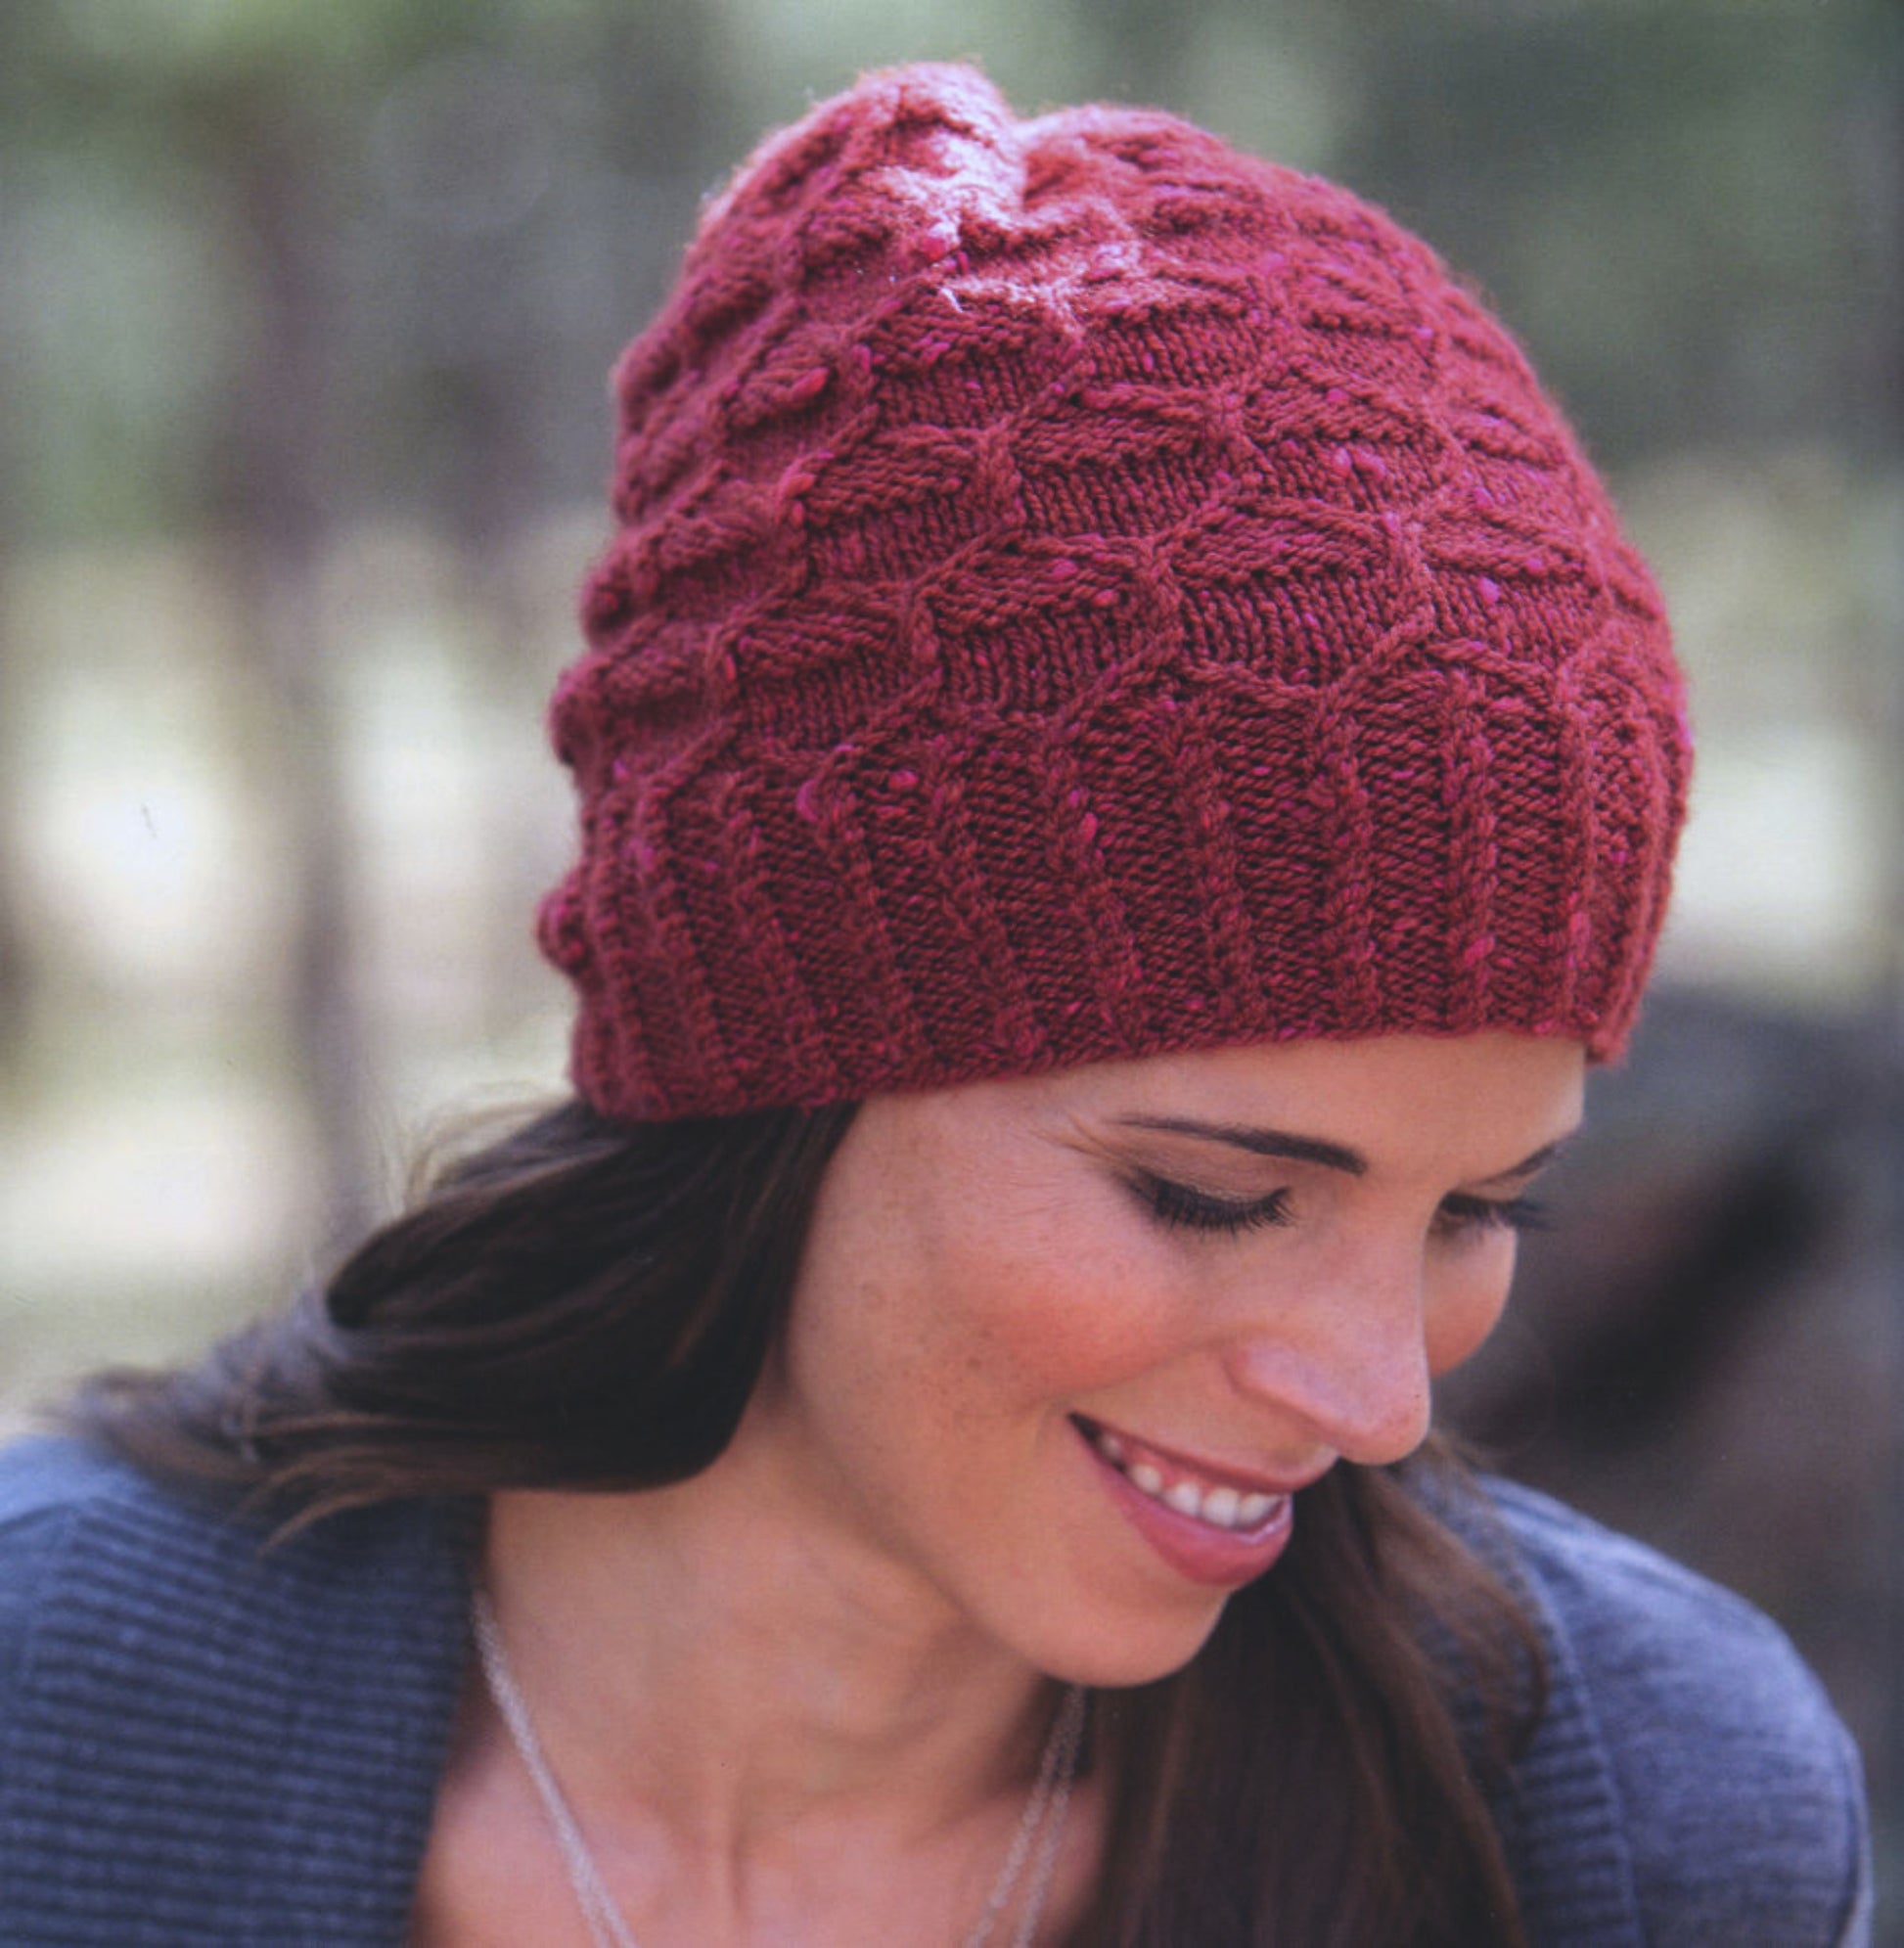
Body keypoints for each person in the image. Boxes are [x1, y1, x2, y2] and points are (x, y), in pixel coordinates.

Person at [0, 63, 1871, 1948]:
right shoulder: (55, 1728)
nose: (1378, 1401)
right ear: (767, 1059)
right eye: (1213, 1195)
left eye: (1478, 1209)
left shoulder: (1644, 1820)